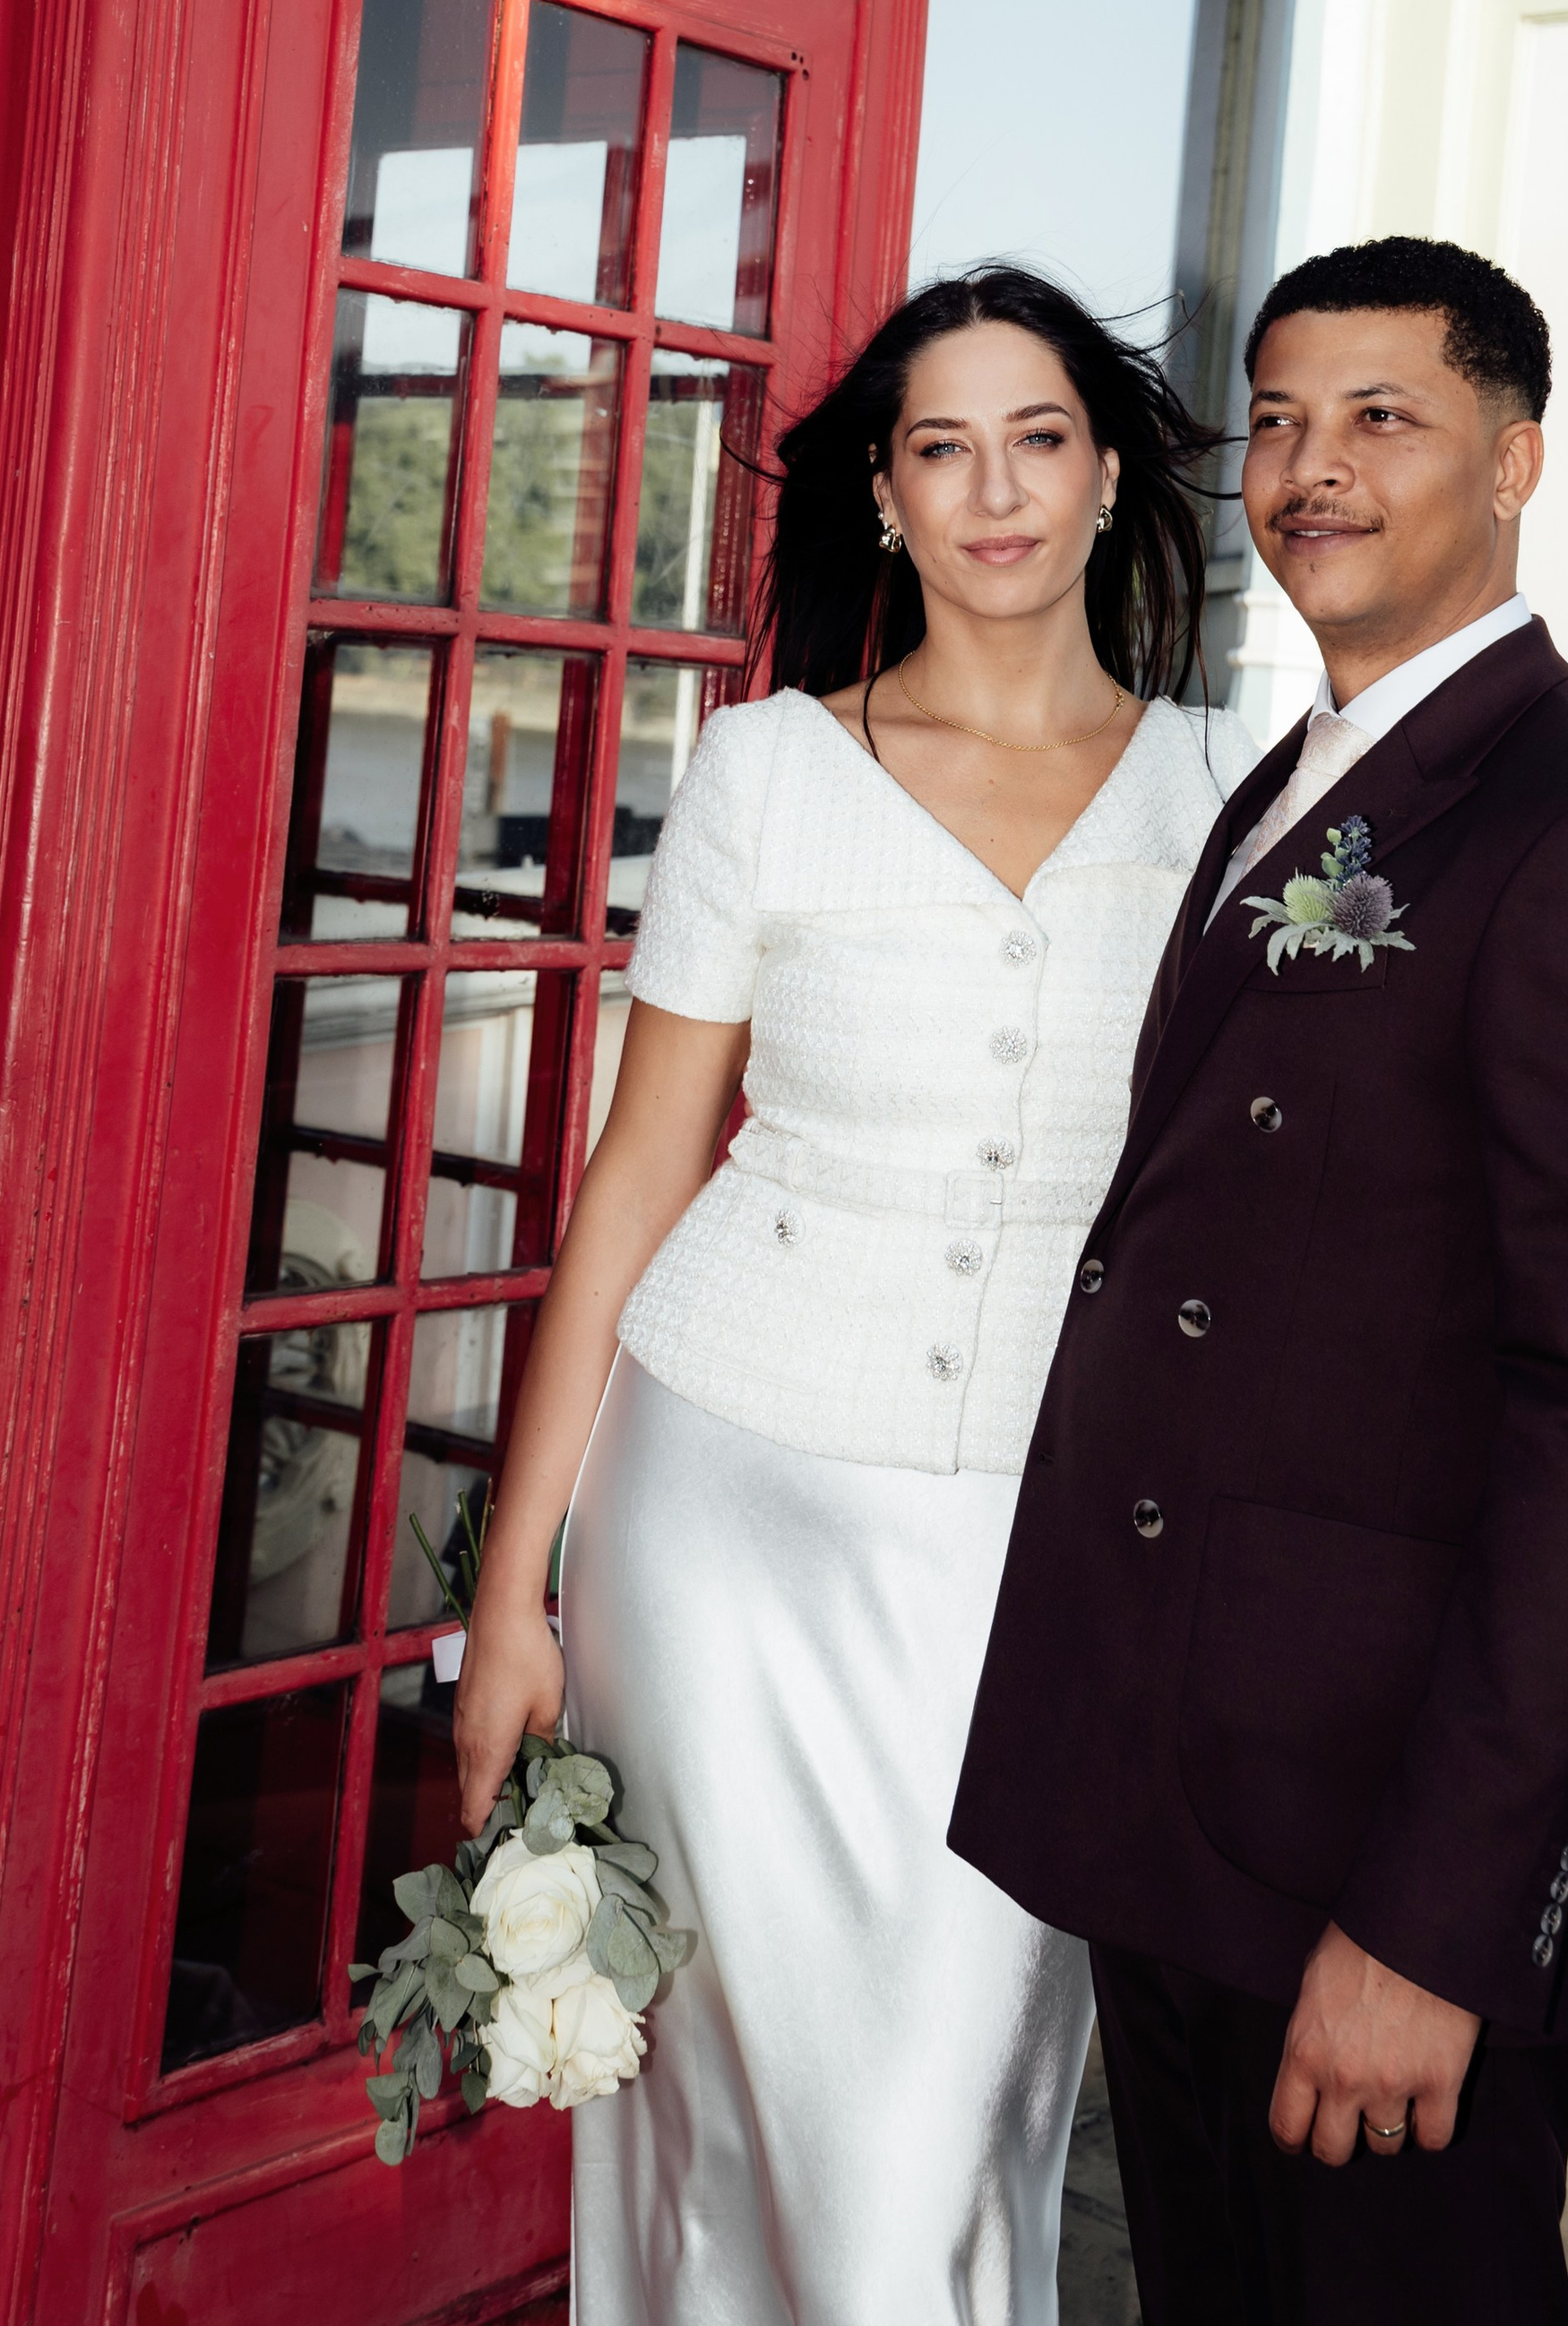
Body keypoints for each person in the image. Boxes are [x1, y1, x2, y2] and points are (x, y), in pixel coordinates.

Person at [950, 234, 1568, 2326]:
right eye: (1278, 421)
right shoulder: (1299, 773)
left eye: (1379, 418)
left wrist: (1426, 1928)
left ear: (1511, 461)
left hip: (1369, 1828)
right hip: (1189, 1780)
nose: (1310, 468)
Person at [453, 262, 1259, 2325]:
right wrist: (511, 1596)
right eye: (940, 448)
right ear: (883, 499)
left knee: (938, 2142)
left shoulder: (1230, 787)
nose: (992, 490)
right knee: (727, 2113)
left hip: (1051, 1543)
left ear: (1106, 474)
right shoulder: (766, 771)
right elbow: (641, 1173)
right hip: (722, 1529)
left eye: (1037, 438)